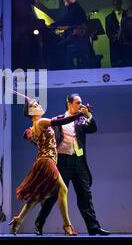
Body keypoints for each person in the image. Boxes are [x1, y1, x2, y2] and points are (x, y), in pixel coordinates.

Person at [28, 94, 111, 236]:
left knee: (85, 195)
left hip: (79, 162)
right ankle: (38, 225)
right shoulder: (58, 120)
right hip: (62, 162)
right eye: (78, 103)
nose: (80, 105)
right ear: (69, 104)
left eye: (81, 103)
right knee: (53, 196)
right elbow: (41, 137)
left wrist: (89, 115)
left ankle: (93, 227)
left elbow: (93, 128)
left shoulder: (81, 120)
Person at [9, 100, 89, 235]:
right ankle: (67, 225)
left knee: (38, 195)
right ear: (31, 112)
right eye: (35, 106)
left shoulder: (34, 126)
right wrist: (79, 114)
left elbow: (44, 144)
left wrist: (30, 136)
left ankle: (19, 219)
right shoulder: (40, 122)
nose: (39, 106)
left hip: (43, 161)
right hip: (47, 162)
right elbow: (61, 122)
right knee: (62, 189)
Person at [50, 0, 95, 69]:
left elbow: (67, 19)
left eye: (64, 0)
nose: (64, 3)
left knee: (60, 47)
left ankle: (66, 68)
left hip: (78, 37)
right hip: (80, 36)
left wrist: (53, 25)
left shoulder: (73, 7)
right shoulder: (77, 6)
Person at [105, 0, 126, 67]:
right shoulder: (108, 18)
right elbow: (108, 31)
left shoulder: (127, 14)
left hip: (127, 44)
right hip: (115, 45)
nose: (117, 6)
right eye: (115, 4)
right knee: (116, 66)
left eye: (118, 4)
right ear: (113, 5)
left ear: (121, 3)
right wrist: (114, 37)